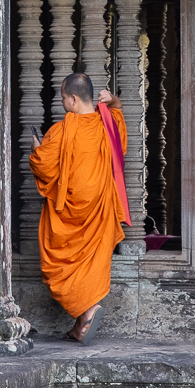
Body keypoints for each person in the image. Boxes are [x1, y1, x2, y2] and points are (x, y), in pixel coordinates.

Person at [29, 72, 128, 344]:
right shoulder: (108, 125)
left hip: (68, 214)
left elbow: (43, 166)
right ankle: (81, 323)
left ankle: (88, 311)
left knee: (55, 265)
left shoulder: (60, 132)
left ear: (73, 99)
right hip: (98, 211)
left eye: (63, 98)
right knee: (89, 266)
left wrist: (36, 149)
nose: (62, 103)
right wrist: (113, 100)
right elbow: (119, 116)